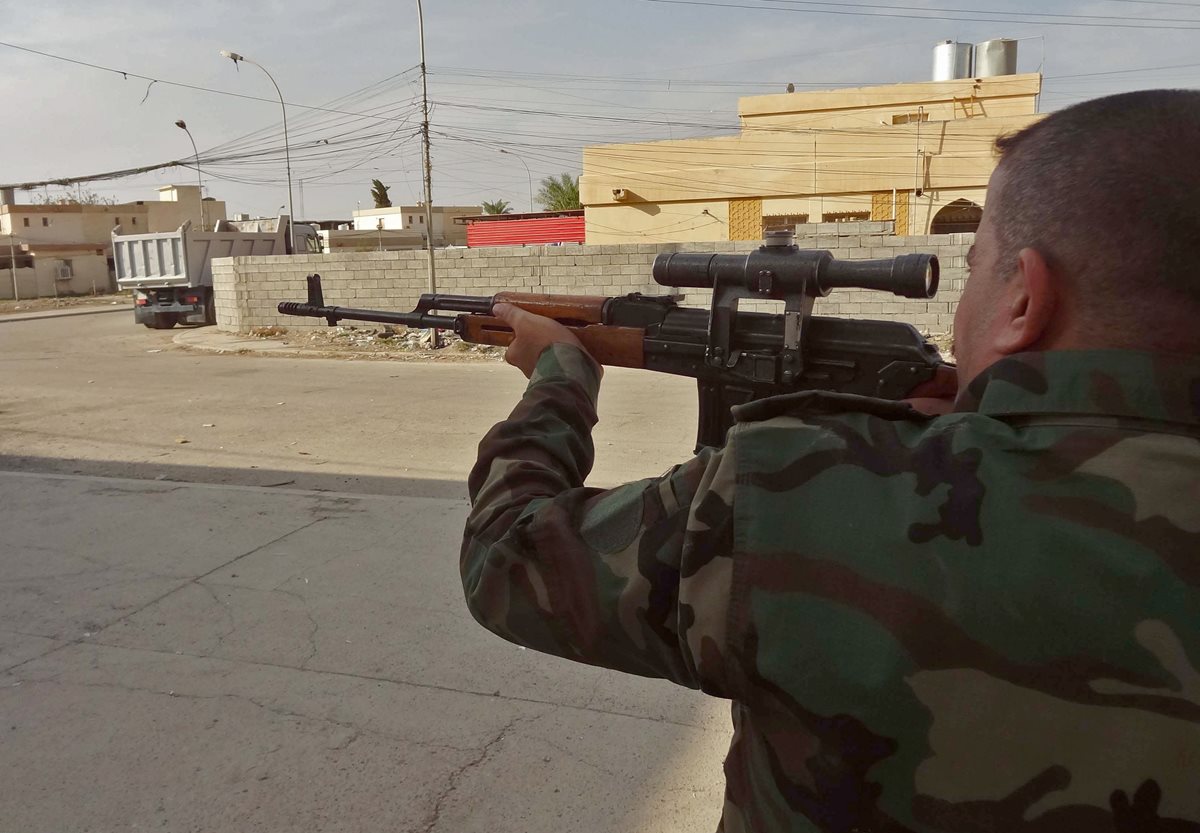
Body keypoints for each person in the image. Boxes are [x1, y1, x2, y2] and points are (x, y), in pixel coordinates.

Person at [460, 90, 1200, 832]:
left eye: (978, 266)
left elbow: (505, 559)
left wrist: (560, 378)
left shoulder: (809, 492)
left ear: (1024, 300)